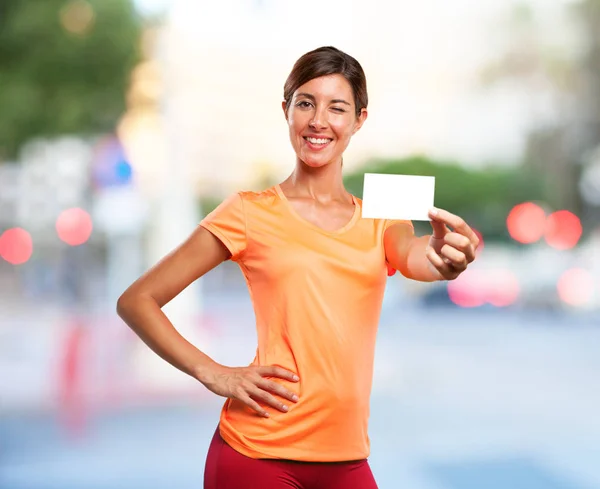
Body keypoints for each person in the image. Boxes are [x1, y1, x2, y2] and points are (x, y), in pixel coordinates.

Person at [116, 46, 479, 489]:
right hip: (256, 455)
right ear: (286, 110)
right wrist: (214, 373)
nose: (318, 121)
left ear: (360, 120)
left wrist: (447, 257)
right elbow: (137, 300)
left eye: (337, 108)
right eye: (305, 103)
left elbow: (418, 257)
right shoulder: (248, 212)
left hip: (347, 458)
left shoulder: (384, 211)